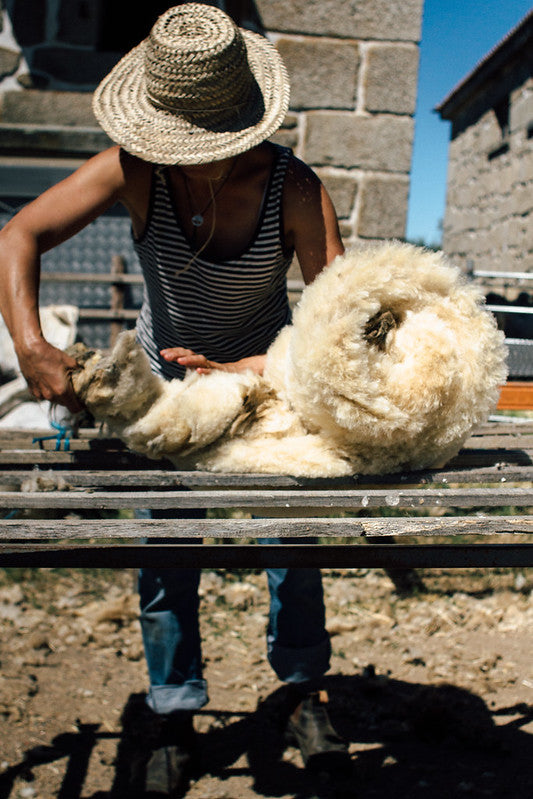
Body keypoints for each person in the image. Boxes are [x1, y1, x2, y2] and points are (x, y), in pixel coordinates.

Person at [0, 4, 349, 795]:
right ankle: (172, 707)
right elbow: (17, 233)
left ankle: (301, 690)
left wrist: (246, 367)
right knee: (168, 548)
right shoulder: (132, 169)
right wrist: (32, 346)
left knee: (292, 544)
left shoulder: (292, 188)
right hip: (162, 390)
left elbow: (336, 326)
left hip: (267, 386)